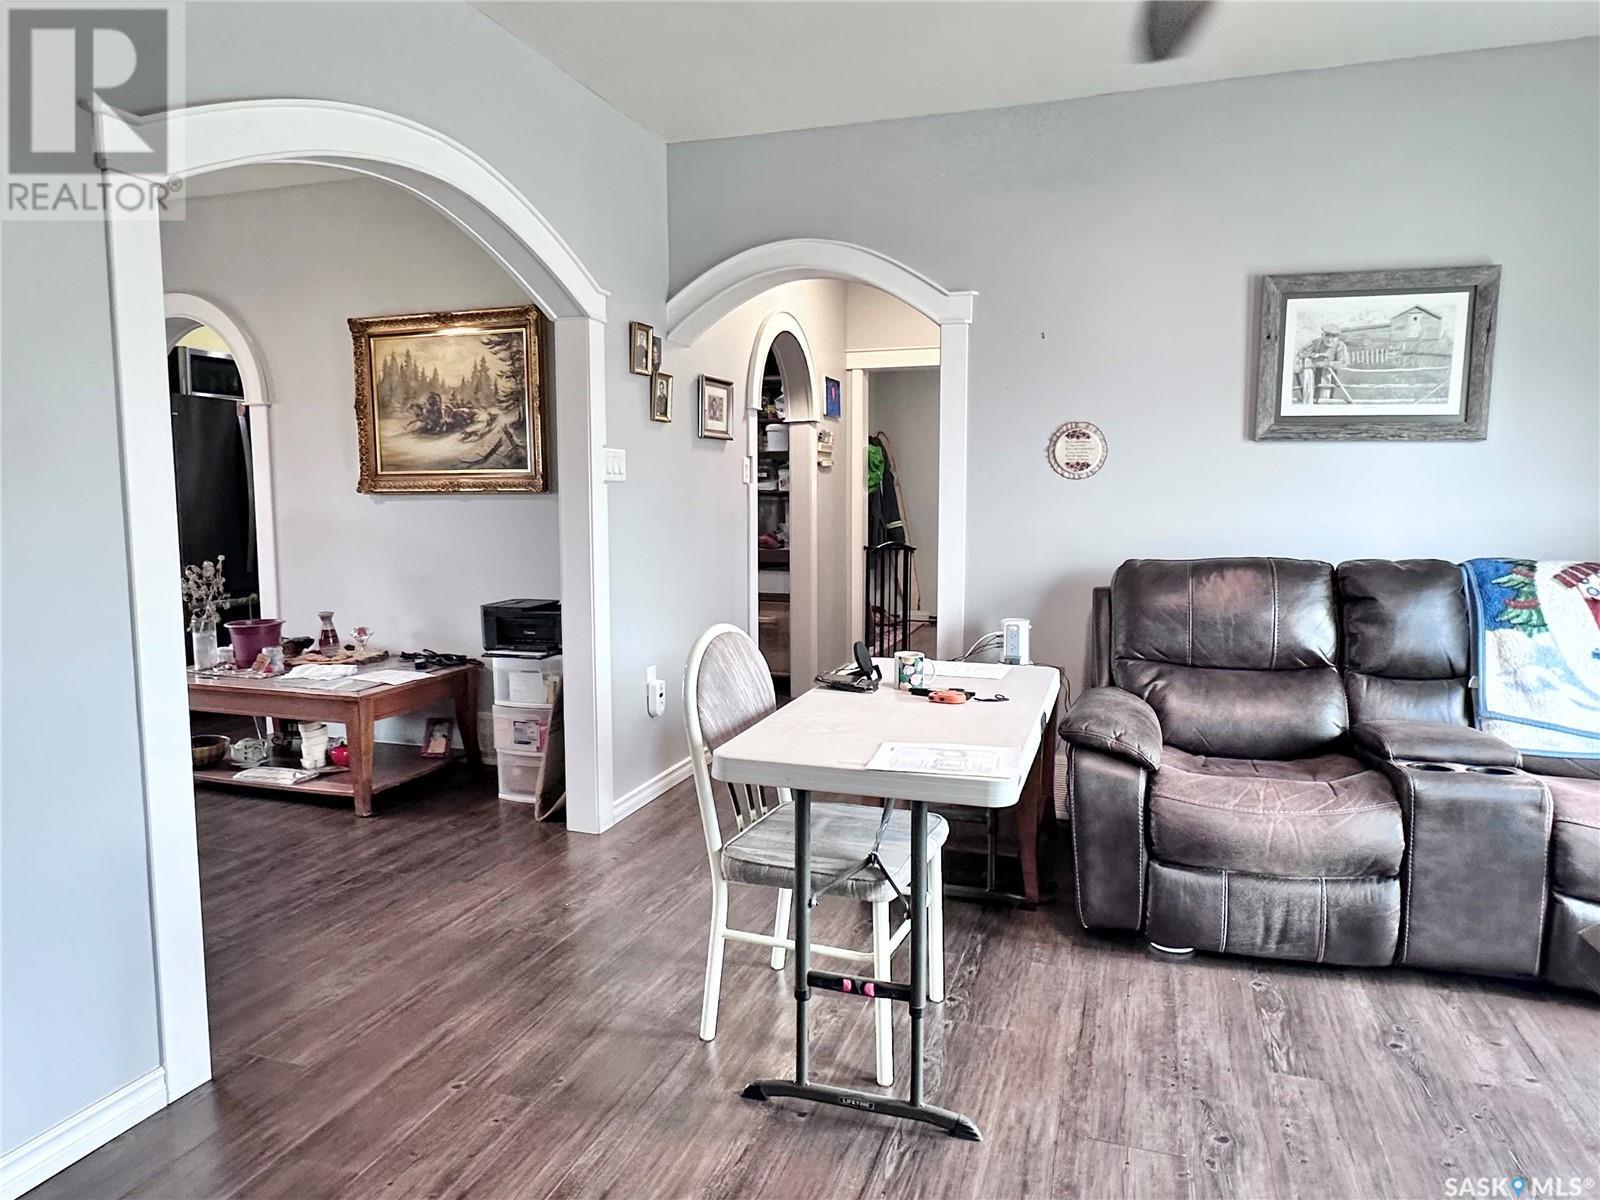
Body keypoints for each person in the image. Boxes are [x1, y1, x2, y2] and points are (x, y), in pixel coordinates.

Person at [1297, 323, 1350, 402]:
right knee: (1312, 398)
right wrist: (1316, 355)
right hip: (1314, 375)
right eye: (1327, 336)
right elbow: (1300, 354)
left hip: (1332, 375)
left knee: (1328, 399)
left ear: (1338, 337)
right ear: (1323, 335)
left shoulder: (1340, 346)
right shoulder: (1315, 343)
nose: (1330, 339)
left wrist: (1328, 364)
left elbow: (1344, 363)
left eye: (1333, 337)